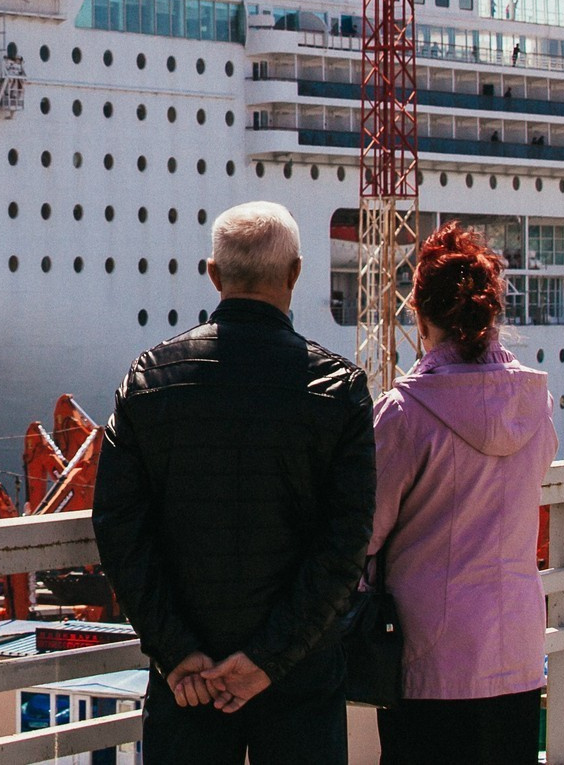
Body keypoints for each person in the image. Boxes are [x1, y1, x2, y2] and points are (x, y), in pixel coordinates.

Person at [94, 202, 376, 765]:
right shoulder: (338, 388)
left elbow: (120, 532)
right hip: (298, 678)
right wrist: (268, 660)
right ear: (295, 275)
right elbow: (346, 544)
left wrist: (177, 652)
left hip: (188, 681)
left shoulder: (149, 380)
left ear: (214, 275)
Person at [368, 222, 558, 765]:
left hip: (430, 657)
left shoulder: (404, 412)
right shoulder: (533, 403)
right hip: (517, 648)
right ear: (490, 313)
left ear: (419, 315)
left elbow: (366, 530)